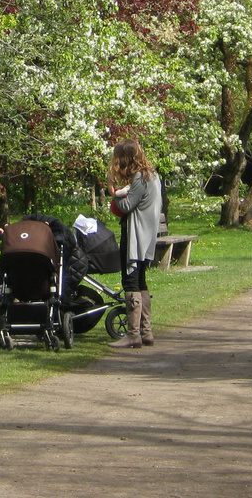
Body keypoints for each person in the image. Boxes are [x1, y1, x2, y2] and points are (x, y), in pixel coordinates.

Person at [107, 139, 162, 348]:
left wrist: (114, 192)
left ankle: (133, 334)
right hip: (147, 235)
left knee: (130, 281)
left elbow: (128, 205)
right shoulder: (153, 175)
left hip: (136, 235)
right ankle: (146, 331)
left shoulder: (140, 177)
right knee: (140, 281)